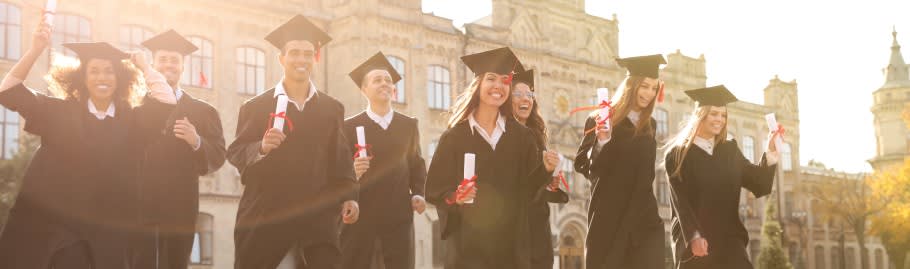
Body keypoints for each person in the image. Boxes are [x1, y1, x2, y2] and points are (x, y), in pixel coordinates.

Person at [0, 17, 176, 268]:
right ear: (82, 78)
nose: (102, 77)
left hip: (108, 229)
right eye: (94, 71)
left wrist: (145, 67)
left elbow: (166, 101)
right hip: (59, 226)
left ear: (119, 78)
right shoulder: (59, 113)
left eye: (109, 71)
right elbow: (8, 91)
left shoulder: (132, 121)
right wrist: (36, 49)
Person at [226, 14, 360, 269]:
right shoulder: (256, 107)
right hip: (267, 216)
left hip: (317, 217)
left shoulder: (331, 109)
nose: (301, 59)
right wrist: (261, 147)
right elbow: (236, 151)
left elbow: (341, 160)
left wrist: (350, 196)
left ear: (315, 58)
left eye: (308, 54)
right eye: (294, 53)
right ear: (281, 58)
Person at [425, 47, 551, 269]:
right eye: (491, 79)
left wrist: (545, 170)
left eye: (505, 80)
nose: (498, 86)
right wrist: (456, 197)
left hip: (510, 247)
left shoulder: (522, 137)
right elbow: (435, 190)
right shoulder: (455, 137)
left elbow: (531, 191)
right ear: (478, 85)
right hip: (468, 248)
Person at [131, 29, 227, 269]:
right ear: (153, 64)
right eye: (162, 59)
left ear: (183, 66)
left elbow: (218, 156)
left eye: (174, 60)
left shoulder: (203, 111)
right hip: (139, 203)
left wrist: (197, 141)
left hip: (181, 206)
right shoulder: (134, 106)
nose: (168, 65)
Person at [664, 85, 780, 269]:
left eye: (723, 115)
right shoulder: (677, 155)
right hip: (696, 242)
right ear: (700, 115)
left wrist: (770, 152)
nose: (719, 119)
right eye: (714, 114)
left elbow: (759, 184)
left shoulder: (729, 150)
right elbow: (681, 202)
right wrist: (694, 235)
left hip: (729, 239)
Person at [574, 54, 667, 268]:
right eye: (644, 86)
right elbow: (583, 165)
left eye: (654, 88)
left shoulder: (650, 125)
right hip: (610, 215)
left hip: (644, 216)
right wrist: (602, 141)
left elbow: (647, 173)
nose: (649, 93)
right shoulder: (601, 119)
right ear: (631, 85)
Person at [340, 51, 427, 269]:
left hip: (398, 217)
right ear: (364, 89)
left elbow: (416, 165)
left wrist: (418, 193)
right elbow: (338, 171)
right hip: (361, 216)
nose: (384, 84)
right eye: (377, 80)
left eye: (388, 80)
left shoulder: (408, 125)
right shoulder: (349, 127)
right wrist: (352, 171)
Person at [510, 69, 568, 269]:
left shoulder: (537, 136)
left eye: (530, 94)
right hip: (514, 222)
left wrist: (550, 183)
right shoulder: (502, 135)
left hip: (537, 224)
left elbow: (536, 185)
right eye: (518, 94)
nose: (525, 98)